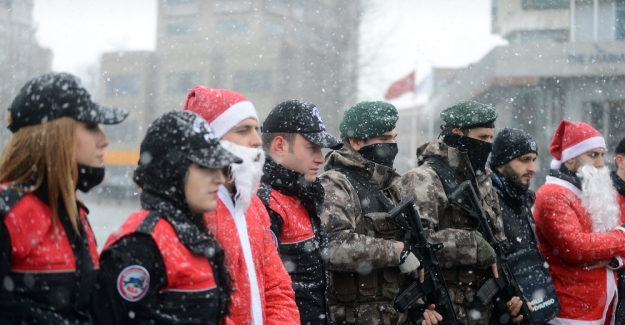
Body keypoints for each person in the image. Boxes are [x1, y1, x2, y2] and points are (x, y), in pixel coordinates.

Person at [0, 72, 128, 324]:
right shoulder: (7, 212)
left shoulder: (73, 211)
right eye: (91, 126)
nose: (105, 140)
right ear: (55, 134)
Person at [91, 111, 240, 324]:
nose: (219, 178)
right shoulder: (140, 244)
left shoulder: (191, 232)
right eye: (205, 167)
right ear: (171, 171)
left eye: (220, 167)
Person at [184, 86, 300, 325]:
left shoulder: (253, 205)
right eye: (243, 130)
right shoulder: (191, 208)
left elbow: (277, 287)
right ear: (211, 139)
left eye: (256, 129)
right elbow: (196, 306)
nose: (257, 140)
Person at [401, 100, 523, 325]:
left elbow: (497, 243)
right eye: (482, 138)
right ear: (457, 133)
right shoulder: (424, 179)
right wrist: (472, 244)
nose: (487, 145)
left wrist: (509, 296)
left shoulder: (483, 178)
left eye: (490, 138)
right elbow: (417, 243)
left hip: (482, 309)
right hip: (444, 306)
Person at [319, 101, 441, 325]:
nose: (392, 145)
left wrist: (416, 307)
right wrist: (397, 251)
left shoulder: (392, 186)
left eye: (394, 138)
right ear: (356, 142)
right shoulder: (336, 183)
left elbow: (409, 257)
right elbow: (333, 246)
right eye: (384, 139)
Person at [257, 99, 343, 325]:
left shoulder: (300, 195)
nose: (321, 159)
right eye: (312, 148)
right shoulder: (265, 204)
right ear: (280, 146)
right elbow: (265, 292)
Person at [533, 120, 625, 325]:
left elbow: (611, 241)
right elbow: (575, 247)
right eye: (593, 155)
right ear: (570, 159)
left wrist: (614, 260)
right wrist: (622, 237)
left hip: (600, 311)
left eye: (602, 154)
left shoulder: (591, 192)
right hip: (570, 315)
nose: (601, 163)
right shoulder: (552, 195)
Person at [488, 128, 560, 325]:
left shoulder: (522, 198)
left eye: (534, 160)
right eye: (524, 159)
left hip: (529, 309)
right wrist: (504, 302)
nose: (532, 168)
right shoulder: (488, 203)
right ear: (502, 163)